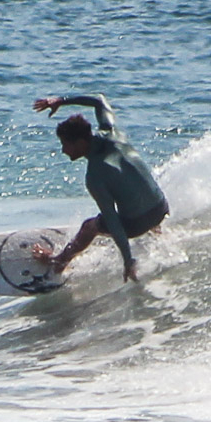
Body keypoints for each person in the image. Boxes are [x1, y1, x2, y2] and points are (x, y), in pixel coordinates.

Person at [31, 94, 169, 282]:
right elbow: (99, 100)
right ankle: (158, 234)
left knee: (90, 226)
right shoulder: (113, 133)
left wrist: (128, 260)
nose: (63, 150)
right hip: (161, 207)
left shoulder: (95, 176)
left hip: (136, 224)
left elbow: (114, 222)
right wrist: (61, 101)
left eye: (65, 144)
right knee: (137, 194)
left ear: (80, 143)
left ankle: (59, 262)